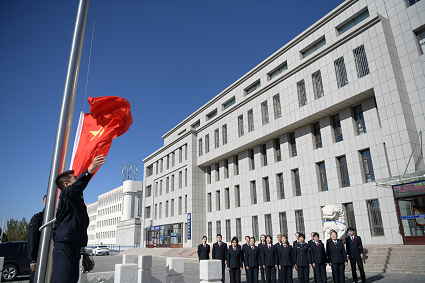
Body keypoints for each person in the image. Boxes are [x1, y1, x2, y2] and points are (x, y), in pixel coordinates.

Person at [51, 155, 105, 283]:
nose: (77, 180)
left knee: (71, 279)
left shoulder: (74, 201)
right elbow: (74, 189)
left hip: (72, 244)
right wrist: (89, 170)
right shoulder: (66, 194)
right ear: (66, 184)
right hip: (65, 246)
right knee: (64, 280)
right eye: (74, 178)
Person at [27, 195, 46, 283]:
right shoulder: (38, 218)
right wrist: (32, 259)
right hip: (39, 259)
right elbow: (32, 239)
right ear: (43, 202)